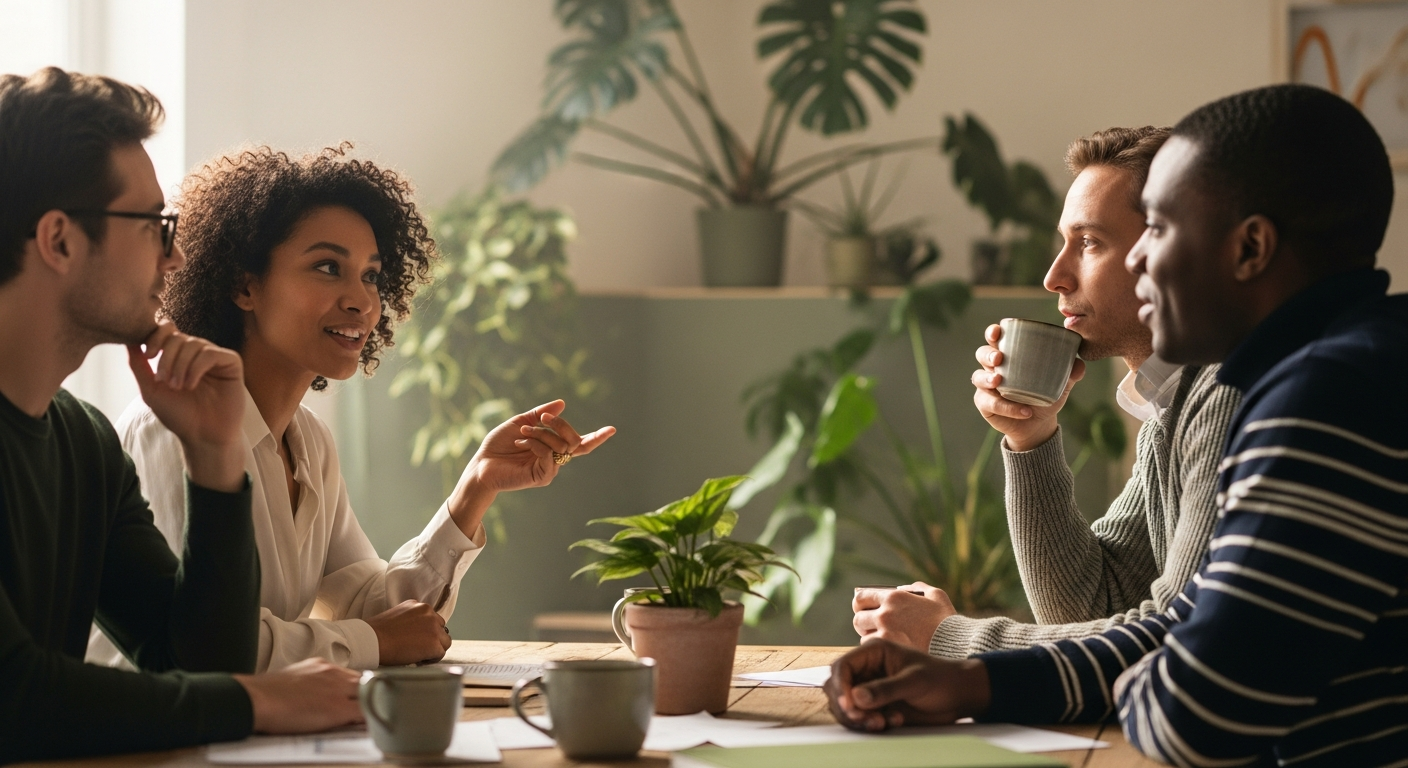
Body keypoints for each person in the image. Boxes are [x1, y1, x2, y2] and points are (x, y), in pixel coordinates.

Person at [825, 84, 1408, 765]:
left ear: (1250, 248)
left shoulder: (1328, 396)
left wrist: (962, 647)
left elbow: (1193, 700)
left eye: (1156, 230)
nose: (1136, 262)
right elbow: (1166, 627)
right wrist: (976, 683)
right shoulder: (1331, 367)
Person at [87, 145, 615, 673]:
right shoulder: (172, 429)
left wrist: (476, 486)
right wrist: (371, 643)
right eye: (327, 267)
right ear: (244, 285)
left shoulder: (308, 440)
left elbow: (381, 611)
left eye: (370, 274)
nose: (361, 300)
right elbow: (207, 648)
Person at [0, 68, 364, 763]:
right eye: (154, 226)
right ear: (59, 240)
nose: (177, 256)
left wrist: (215, 458)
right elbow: (12, 693)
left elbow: (192, 658)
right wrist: (262, 700)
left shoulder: (81, 440)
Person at [853, 127, 1242, 658]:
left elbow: (1179, 637)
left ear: (1171, 251)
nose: (1054, 277)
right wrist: (1030, 435)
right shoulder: (1173, 403)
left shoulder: (1228, 391)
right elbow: (1092, 605)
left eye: (1089, 243)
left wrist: (952, 637)